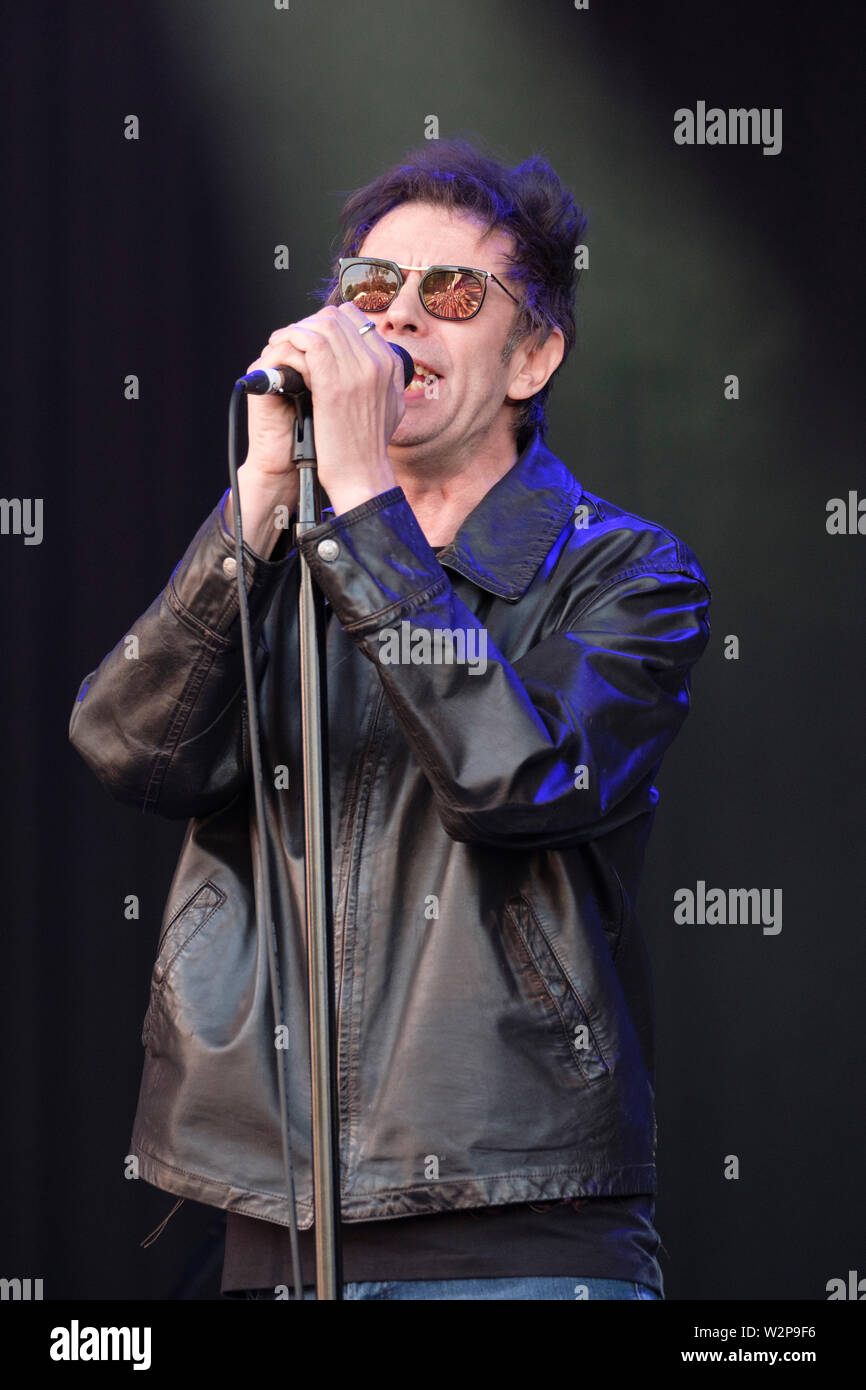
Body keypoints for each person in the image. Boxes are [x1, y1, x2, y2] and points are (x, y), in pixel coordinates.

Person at [69, 138, 711, 1301]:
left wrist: (361, 506)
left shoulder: (628, 574)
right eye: (368, 288)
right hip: (266, 1210)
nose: (395, 319)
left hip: (506, 1224)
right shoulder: (281, 555)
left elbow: (521, 786)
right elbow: (125, 745)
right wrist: (252, 512)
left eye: (449, 292)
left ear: (532, 355)